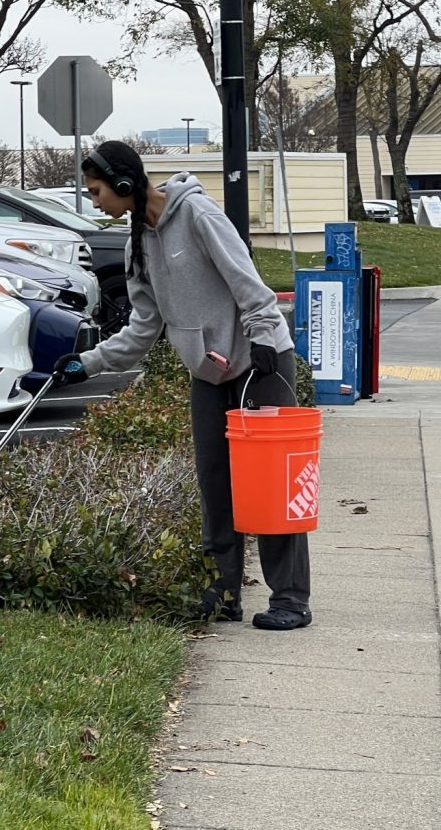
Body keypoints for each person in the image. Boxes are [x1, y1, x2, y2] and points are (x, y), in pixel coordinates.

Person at [53, 141, 311, 631]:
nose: (94, 201)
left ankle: (291, 599)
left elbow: (247, 282)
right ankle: (223, 593)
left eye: (96, 190)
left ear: (124, 183)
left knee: (272, 486)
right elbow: (143, 328)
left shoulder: (198, 215)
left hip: (260, 360)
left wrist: (261, 336)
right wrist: (87, 364)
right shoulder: (137, 244)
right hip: (209, 373)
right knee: (216, 485)